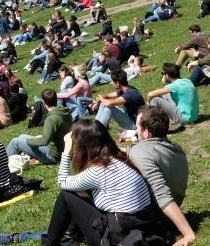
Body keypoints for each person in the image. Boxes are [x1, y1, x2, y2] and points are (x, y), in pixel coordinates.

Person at [41, 119, 169, 246]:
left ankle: (50, 243)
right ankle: (68, 238)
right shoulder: (119, 159)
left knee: (66, 196)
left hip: (119, 238)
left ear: (83, 146)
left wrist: (66, 150)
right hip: (142, 228)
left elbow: (62, 181)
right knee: (77, 193)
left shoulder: (97, 170)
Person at [128, 105, 196, 246]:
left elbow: (162, 194)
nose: (136, 131)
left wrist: (188, 234)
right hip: (170, 210)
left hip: (155, 217)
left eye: (137, 128)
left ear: (146, 132)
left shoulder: (141, 153)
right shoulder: (175, 148)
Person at [6, 89, 72, 165]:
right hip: (63, 150)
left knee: (15, 142)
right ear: (56, 100)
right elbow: (57, 134)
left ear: (43, 103)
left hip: (53, 155)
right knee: (22, 136)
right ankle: (17, 159)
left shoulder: (51, 119)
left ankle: (4, 164)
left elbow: (44, 141)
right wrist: (37, 138)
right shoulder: (65, 112)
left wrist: (29, 142)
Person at [91, 70, 145, 141]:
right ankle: (93, 128)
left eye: (113, 82)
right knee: (103, 103)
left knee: (109, 108)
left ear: (117, 83)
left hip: (136, 125)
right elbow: (108, 96)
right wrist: (100, 99)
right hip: (130, 119)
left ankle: (95, 134)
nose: (111, 83)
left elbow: (109, 103)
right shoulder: (127, 89)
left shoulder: (130, 94)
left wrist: (101, 99)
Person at [145, 64, 199, 130]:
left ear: (167, 75)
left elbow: (150, 94)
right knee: (166, 94)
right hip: (194, 117)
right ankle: (166, 120)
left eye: (163, 73)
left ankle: (153, 125)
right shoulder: (186, 81)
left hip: (184, 119)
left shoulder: (175, 85)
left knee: (155, 100)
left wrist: (147, 104)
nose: (162, 75)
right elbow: (164, 92)